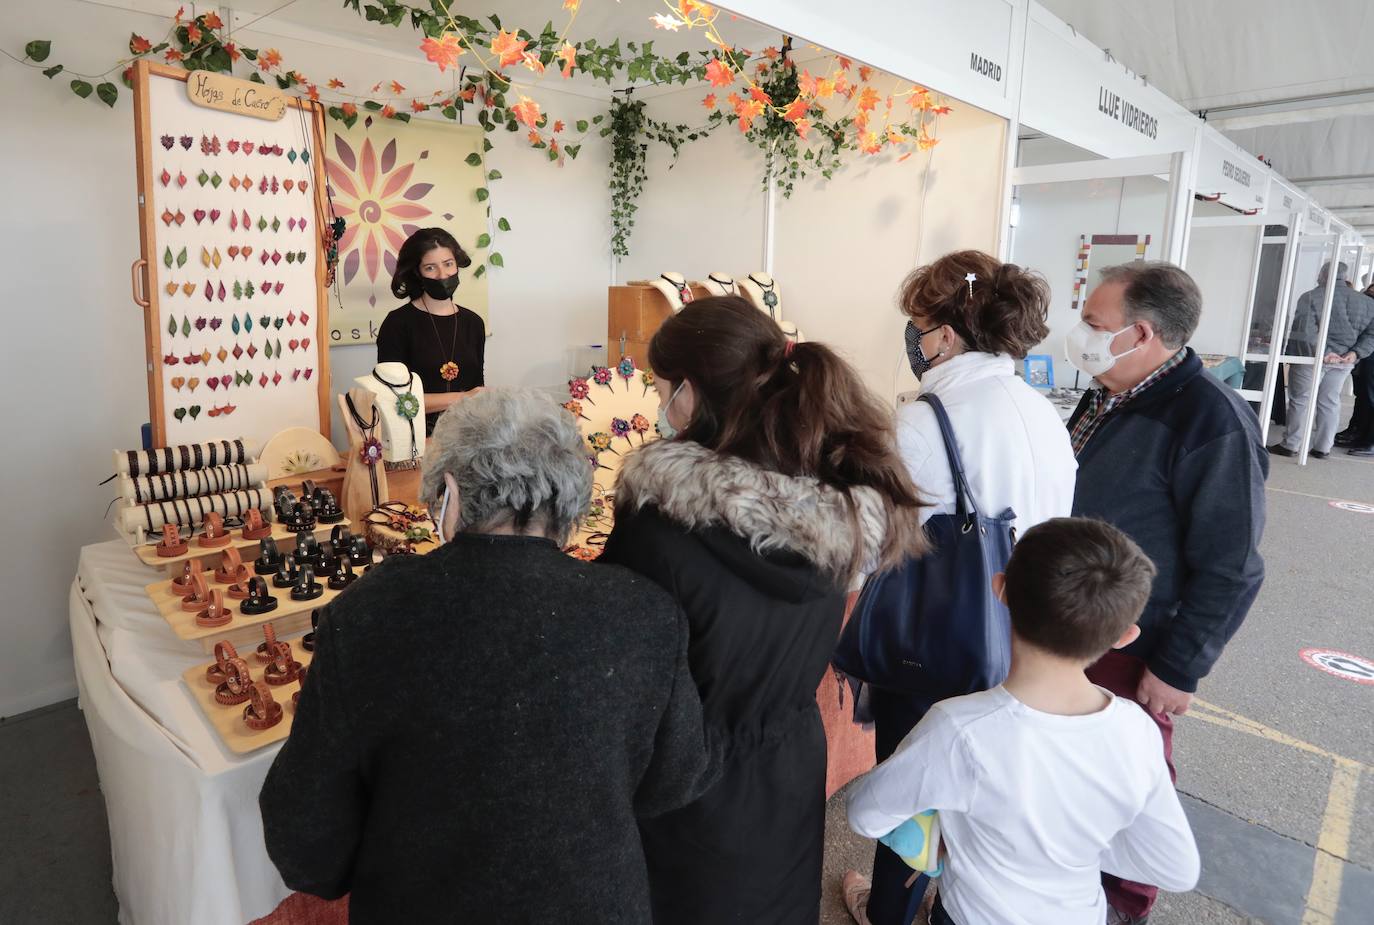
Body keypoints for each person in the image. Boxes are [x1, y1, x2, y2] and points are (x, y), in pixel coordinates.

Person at [259, 390, 715, 923]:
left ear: (448, 491)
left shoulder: (370, 613)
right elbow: (675, 781)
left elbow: (304, 833)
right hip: (593, 904)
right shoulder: (645, 614)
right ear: (573, 498)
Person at [599, 296, 927, 925]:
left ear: (689, 392)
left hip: (684, 776)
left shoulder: (659, 526)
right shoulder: (838, 509)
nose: (659, 404)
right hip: (788, 759)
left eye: (661, 388)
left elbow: (624, 670)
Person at [843, 251, 1078, 925]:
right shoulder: (1041, 413)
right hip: (1023, 635)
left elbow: (865, 539)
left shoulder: (925, 421)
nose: (913, 339)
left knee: (916, 785)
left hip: (938, 642)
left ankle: (891, 908)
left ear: (945, 333)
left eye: (918, 322)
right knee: (986, 785)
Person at [846, 518, 1201, 925]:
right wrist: (1071, 848)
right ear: (1124, 636)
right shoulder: (1137, 731)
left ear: (1001, 590)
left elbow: (864, 813)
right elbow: (1176, 867)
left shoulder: (959, 729)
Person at [1066, 262, 1266, 925]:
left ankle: (1121, 909)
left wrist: (1179, 664)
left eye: (1094, 323)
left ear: (1141, 333)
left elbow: (1232, 564)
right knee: (1073, 776)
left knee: (1130, 785)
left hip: (1138, 641)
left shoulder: (1211, 419)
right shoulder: (1107, 393)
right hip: (1078, 629)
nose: (1081, 334)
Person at [377, 227, 486, 436]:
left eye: (448, 264)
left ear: (457, 264)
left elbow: (477, 389)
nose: (442, 275)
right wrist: (464, 397)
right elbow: (394, 398)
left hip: (467, 437)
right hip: (414, 439)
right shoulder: (397, 323)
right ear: (417, 272)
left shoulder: (474, 323)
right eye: (430, 268)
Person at [1271, 261, 1374, 459]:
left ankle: (1291, 444)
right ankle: (1323, 448)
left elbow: (1305, 332)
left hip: (1311, 357)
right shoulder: (1367, 302)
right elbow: (1371, 334)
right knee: (1330, 401)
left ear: (1324, 275)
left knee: (1301, 400)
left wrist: (1325, 352)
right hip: (1345, 361)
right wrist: (1355, 353)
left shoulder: (1311, 296)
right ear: (1344, 276)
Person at [1335, 277, 1374, 456]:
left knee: (1371, 396)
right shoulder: (1369, 291)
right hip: (1365, 352)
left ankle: (1370, 441)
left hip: (1370, 350)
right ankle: (1358, 430)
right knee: (1363, 395)